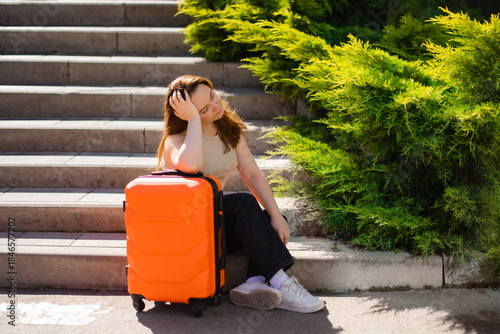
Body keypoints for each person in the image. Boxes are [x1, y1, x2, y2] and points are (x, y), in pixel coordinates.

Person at [157, 75, 325, 313]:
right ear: (183, 113)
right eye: (204, 108)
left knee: (270, 221)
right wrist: (194, 120)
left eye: (213, 96)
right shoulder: (175, 142)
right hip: (190, 236)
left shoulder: (227, 130)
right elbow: (193, 166)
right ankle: (283, 283)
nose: (216, 106)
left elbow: (253, 174)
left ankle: (253, 283)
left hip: (215, 230)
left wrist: (276, 217)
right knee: (243, 204)